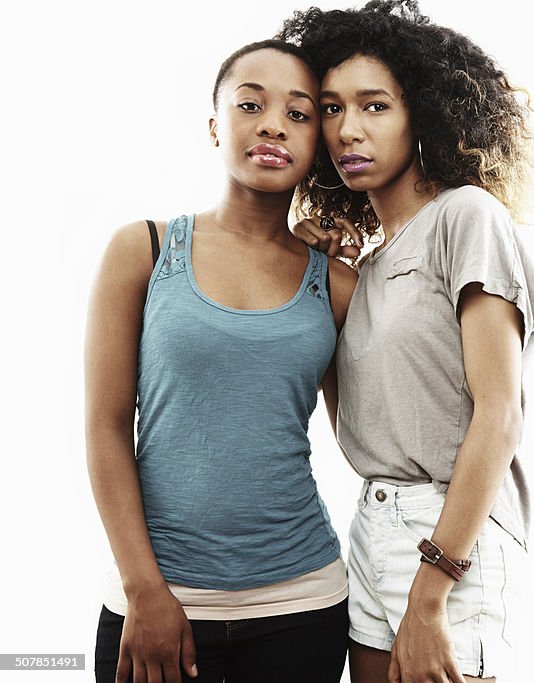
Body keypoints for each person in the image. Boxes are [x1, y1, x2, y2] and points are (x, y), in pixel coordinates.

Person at [278, 2, 534, 681]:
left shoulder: (467, 217)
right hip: (371, 526)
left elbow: (500, 414)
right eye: (332, 109)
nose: (348, 129)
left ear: (421, 113)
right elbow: (360, 429)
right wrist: (321, 280)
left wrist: (434, 586)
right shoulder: (368, 266)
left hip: (450, 536)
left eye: (374, 106)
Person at [84, 39, 358, 683]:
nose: (272, 125)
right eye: (250, 105)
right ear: (216, 126)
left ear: (318, 141)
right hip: (159, 601)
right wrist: (144, 591)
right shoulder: (145, 249)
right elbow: (104, 426)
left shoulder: (337, 285)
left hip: (304, 603)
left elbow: (368, 438)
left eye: (298, 114)